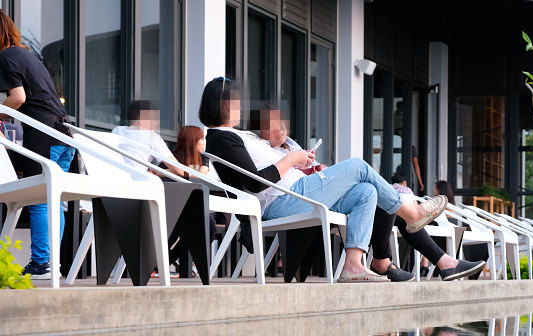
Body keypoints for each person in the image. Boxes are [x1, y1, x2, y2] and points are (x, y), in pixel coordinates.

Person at [200, 77, 447, 283]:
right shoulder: (221, 138)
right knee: (358, 166)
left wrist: (296, 162)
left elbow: (263, 170)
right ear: (224, 104)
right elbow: (255, 182)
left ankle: (353, 265)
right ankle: (412, 214)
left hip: (296, 193)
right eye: (236, 101)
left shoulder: (236, 135)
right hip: (283, 200)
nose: (240, 106)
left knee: (366, 191)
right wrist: (292, 159)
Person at [262, 115, 485, 282]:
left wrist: (313, 166)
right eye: (273, 126)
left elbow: (314, 174)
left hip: (318, 196)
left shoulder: (291, 151)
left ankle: (437, 261)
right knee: (374, 187)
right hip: (301, 200)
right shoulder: (266, 153)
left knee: (373, 192)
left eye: (283, 125)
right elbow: (272, 181)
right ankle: (388, 258)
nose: (280, 130)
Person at [0, 11, 73, 279]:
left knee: (40, 200)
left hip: (44, 135)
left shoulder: (6, 57)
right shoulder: (27, 55)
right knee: (54, 200)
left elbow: (18, 97)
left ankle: (42, 263)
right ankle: (51, 263)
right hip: (64, 134)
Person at [112, 100, 186, 177]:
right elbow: (180, 171)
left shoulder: (117, 131)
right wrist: (159, 173)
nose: (157, 123)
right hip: (136, 180)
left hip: (114, 178)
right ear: (141, 119)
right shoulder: (151, 136)